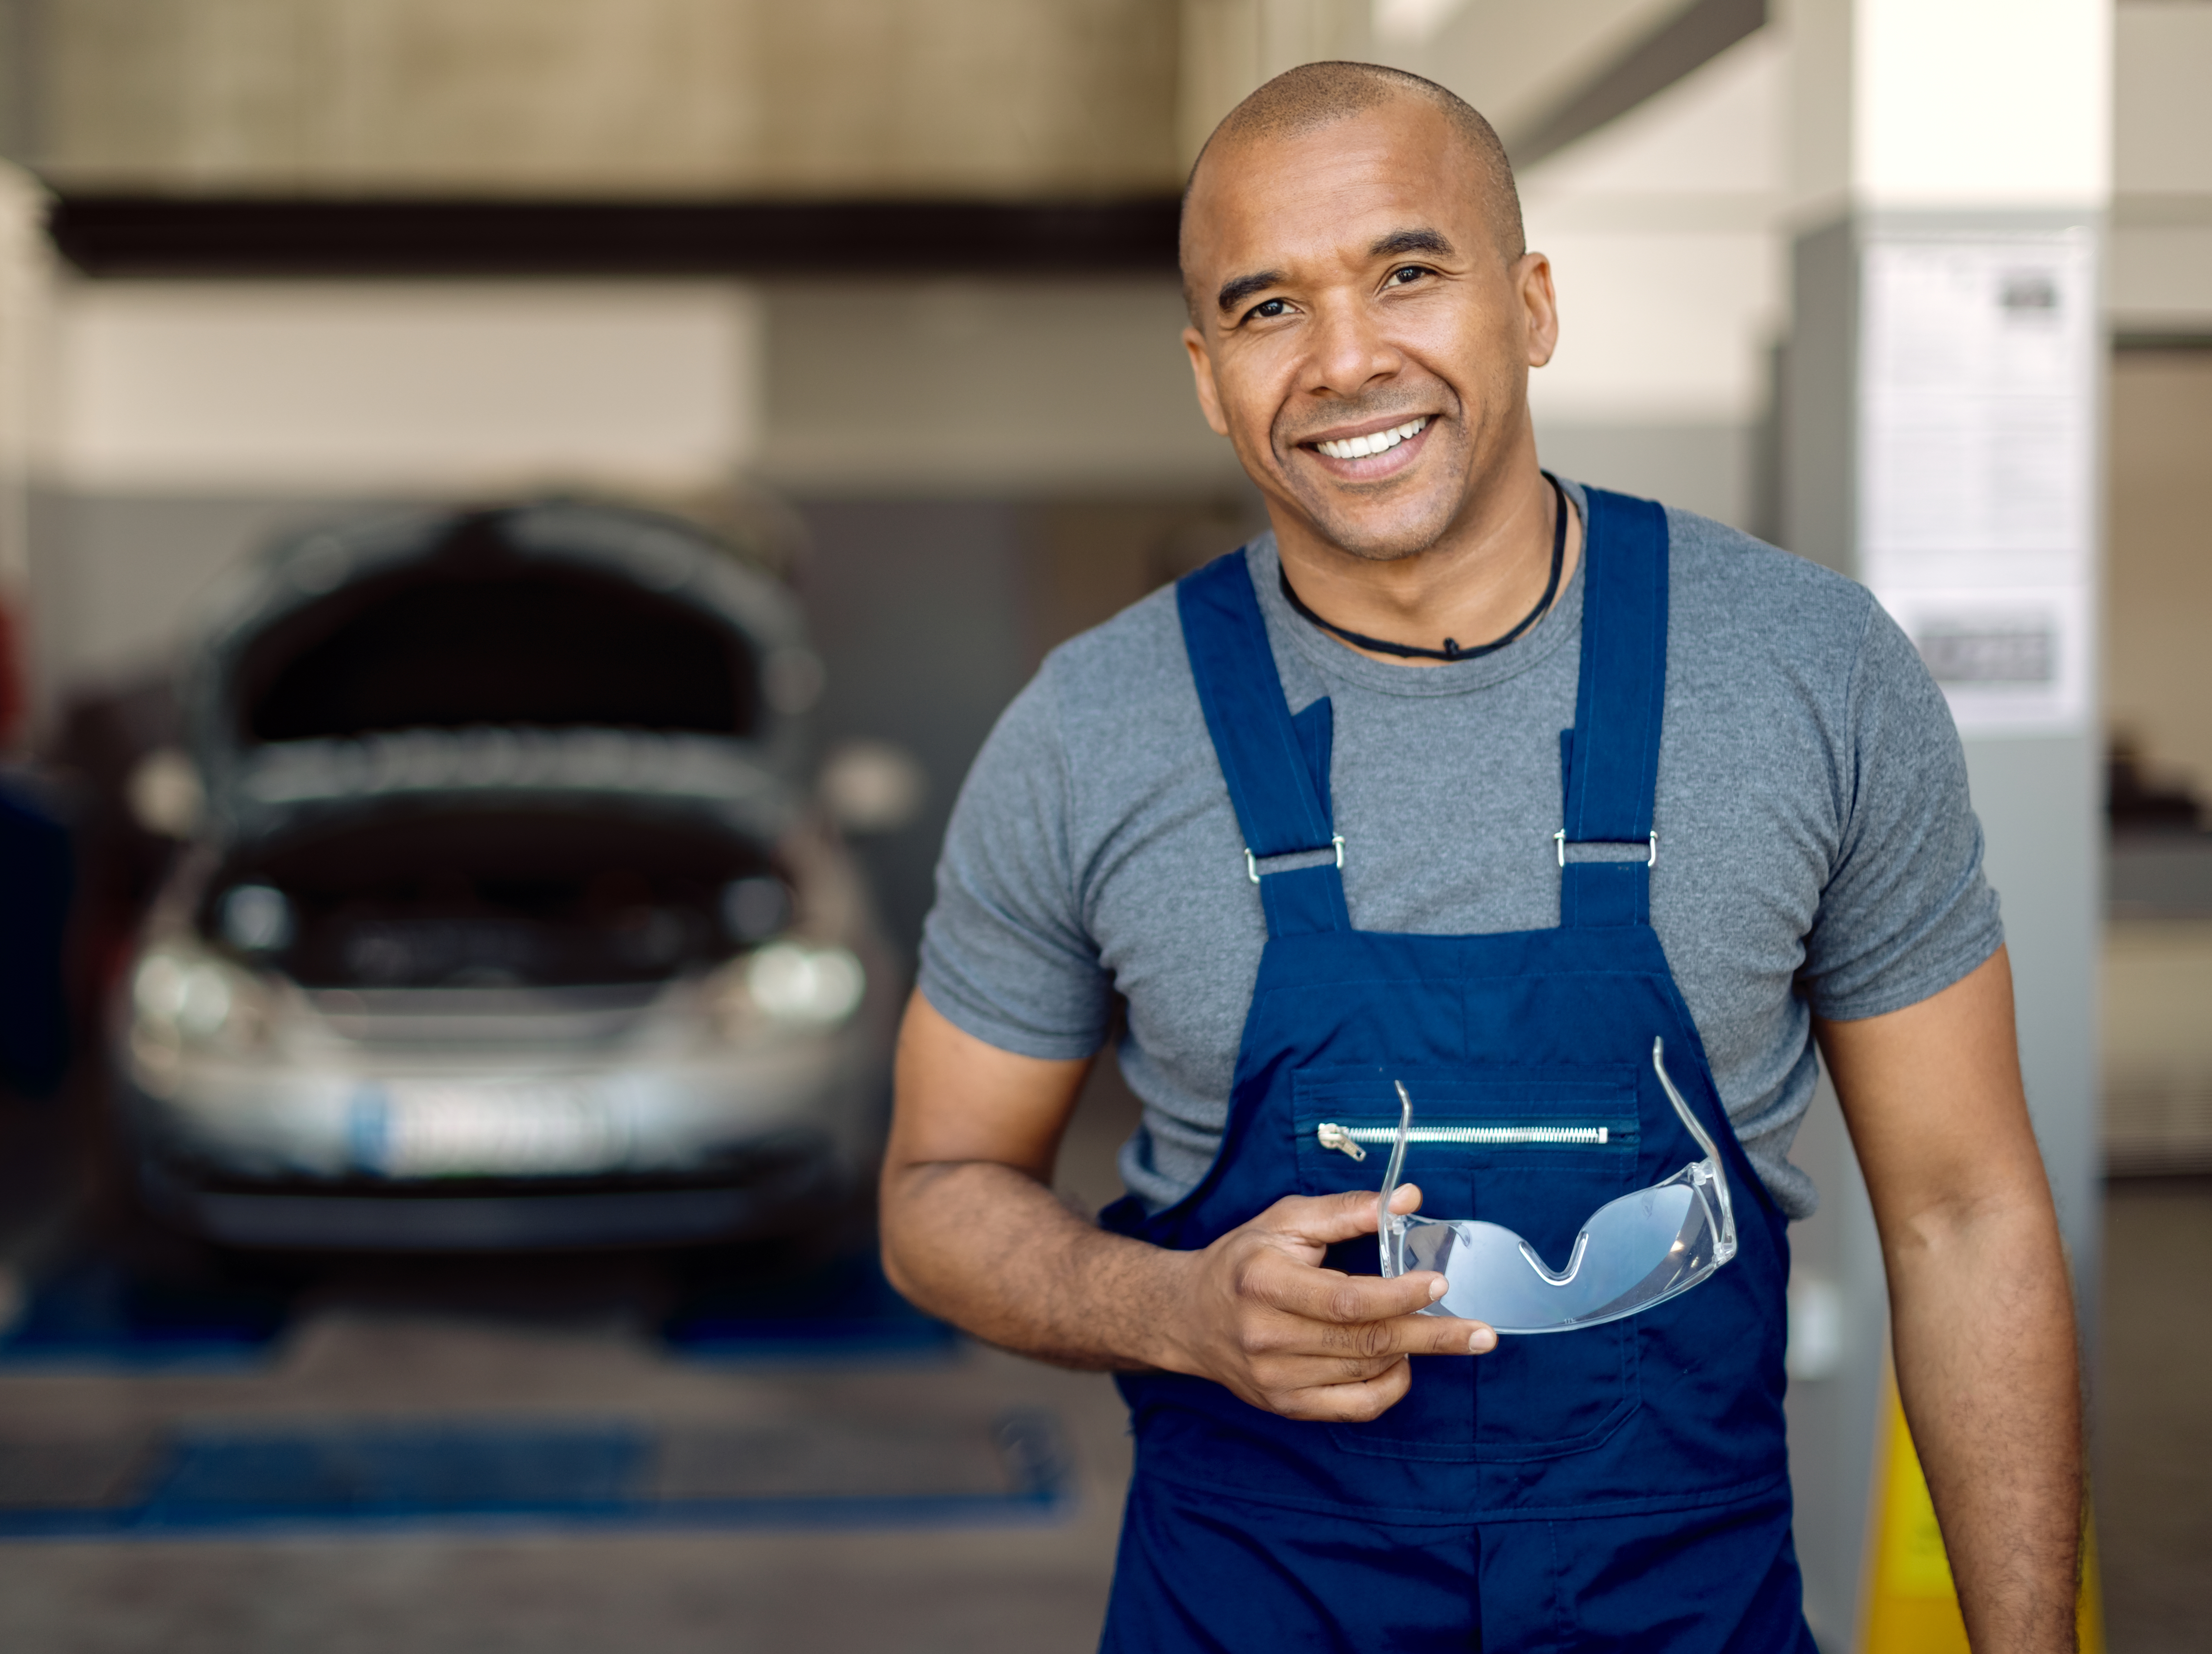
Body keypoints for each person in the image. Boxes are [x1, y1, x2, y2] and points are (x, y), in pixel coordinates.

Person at [878, 60, 2081, 1654]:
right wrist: (1170, 1309)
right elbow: (936, 1194)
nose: (1346, 360)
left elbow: (1966, 1216)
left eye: (1408, 273)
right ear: (1208, 377)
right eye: (1268, 309)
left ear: (1531, 305)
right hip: (1248, 1611)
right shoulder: (1090, 729)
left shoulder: (1812, 674)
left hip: (1684, 1617)